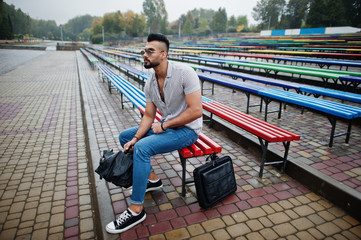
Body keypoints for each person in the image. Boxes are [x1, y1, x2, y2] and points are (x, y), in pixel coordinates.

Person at [106, 33, 203, 234]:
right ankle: (152, 180)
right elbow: (149, 116)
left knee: (142, 148)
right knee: (127, 138)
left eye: (150, 51)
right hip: (167, 126)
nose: (145, 55)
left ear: (164, 54)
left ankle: (136, 210)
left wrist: (165, 125)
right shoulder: (150, 82)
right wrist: (134, 138)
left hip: (188, 130)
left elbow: (196, 111)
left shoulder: (185, 73)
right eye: (144, 51)